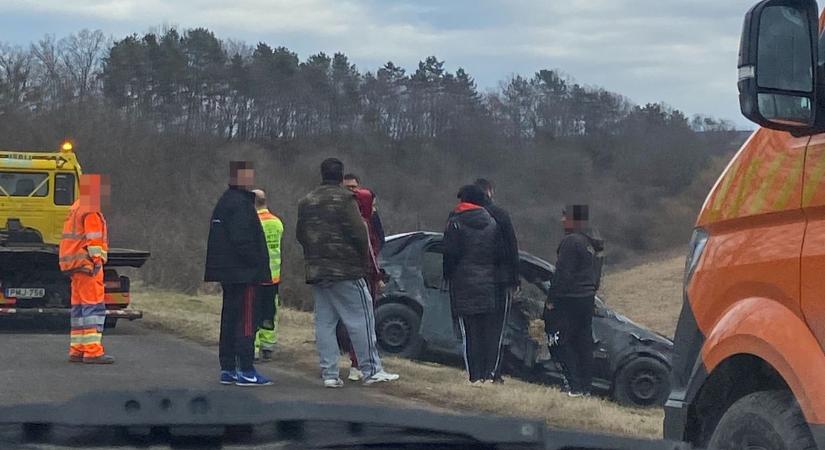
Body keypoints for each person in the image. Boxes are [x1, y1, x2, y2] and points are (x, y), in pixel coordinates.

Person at [297, 158, 399, 388]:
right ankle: (372, 369)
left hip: (317, 269)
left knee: (325, 322)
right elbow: (359, 232)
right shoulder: (346, 200)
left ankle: (329, 374)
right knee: (362, 318)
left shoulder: (307, 201)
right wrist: (362, 259)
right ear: (340, 177)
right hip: (346, 270)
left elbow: (300, 235)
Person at [205, 161, 273, 386]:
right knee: (245, 321)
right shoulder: (240, 205)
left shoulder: (225, 202)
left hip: (229, 272)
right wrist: (256, 264)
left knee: (230, 318)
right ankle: (245, 368)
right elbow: (242, 239)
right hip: (245, 274)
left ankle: (228, 367)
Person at [443, 184, 501, 386]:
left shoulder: (456, 222)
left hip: (463, 281)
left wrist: (447, 275)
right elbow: (498, 253)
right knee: (486, 331)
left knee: (470, 331)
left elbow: (450, 254)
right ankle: (487, 374)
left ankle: (474, 376)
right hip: (487, 281)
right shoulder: (492, 223)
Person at [544, 204, 605, 397]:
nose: (562, 220)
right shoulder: (593, 244)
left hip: (569, 298)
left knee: (560, 341)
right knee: (583, 343)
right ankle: (585, 387)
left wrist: (552, 299)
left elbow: (563, 274)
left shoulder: (571, 242)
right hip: (587, 298)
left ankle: (573, 385)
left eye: (565, 217)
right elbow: (597, 275)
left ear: (574, 220)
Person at [60, 174, 113, 364]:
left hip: (75, 266)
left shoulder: (75, 207)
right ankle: (92, 351)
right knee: (93, 308)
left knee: (79, 309)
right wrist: (97, 261)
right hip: (88, 266)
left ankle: (77, 349)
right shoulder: (91, 210)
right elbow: (94, 240)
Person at [474, 178, 519, 383]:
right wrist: (514, 278)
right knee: (496, 328)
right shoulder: (500, 214)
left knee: (476, 326)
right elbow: (512, 247)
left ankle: (475, 371)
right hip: (498, 279)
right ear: (490, 191)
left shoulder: (462, 216)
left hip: (472, 280)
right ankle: (491, 372)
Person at [251, 189, 284, 362]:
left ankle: (254, 347)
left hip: (256, 275)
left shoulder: (252, 222)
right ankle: (268, 346)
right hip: (274, 276)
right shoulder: (277, 222)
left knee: (252, 311)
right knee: (270, 311)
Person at [343, 173, 385, 252]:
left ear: (358, 187)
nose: (350, 190)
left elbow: (379, 237)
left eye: (353, 187)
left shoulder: (368, 210)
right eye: (347, 187)